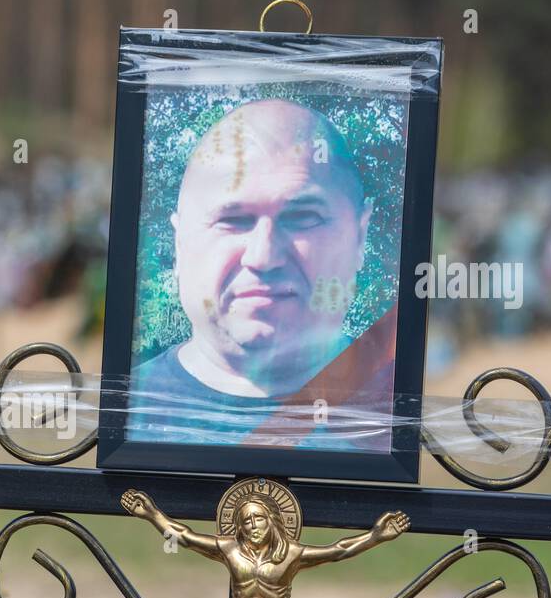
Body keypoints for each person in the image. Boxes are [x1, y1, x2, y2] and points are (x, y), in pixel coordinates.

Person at [129, 98, 396, 450]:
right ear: (179, 243)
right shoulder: (130, 410)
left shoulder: (393, 409)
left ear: (360, 235)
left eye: (303, 218)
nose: (263, 256)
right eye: (232, 220)